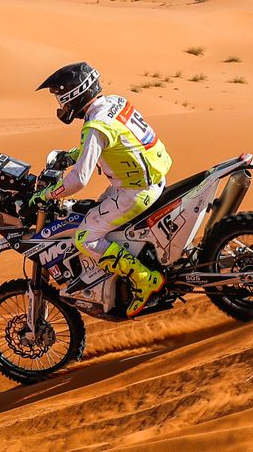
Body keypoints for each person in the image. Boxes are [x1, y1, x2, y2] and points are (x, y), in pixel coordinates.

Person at [30, 62, 173, 317]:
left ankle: (144, 279)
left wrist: (46, 195)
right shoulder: (114, 103)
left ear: (75, 94)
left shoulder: (95, 125)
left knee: (86, 237)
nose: (61, 105)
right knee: (96, 214)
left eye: (60, 97)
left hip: (134, 192)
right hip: (150, 181)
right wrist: (74, 155)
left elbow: (78, 180)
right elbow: (114, 144)